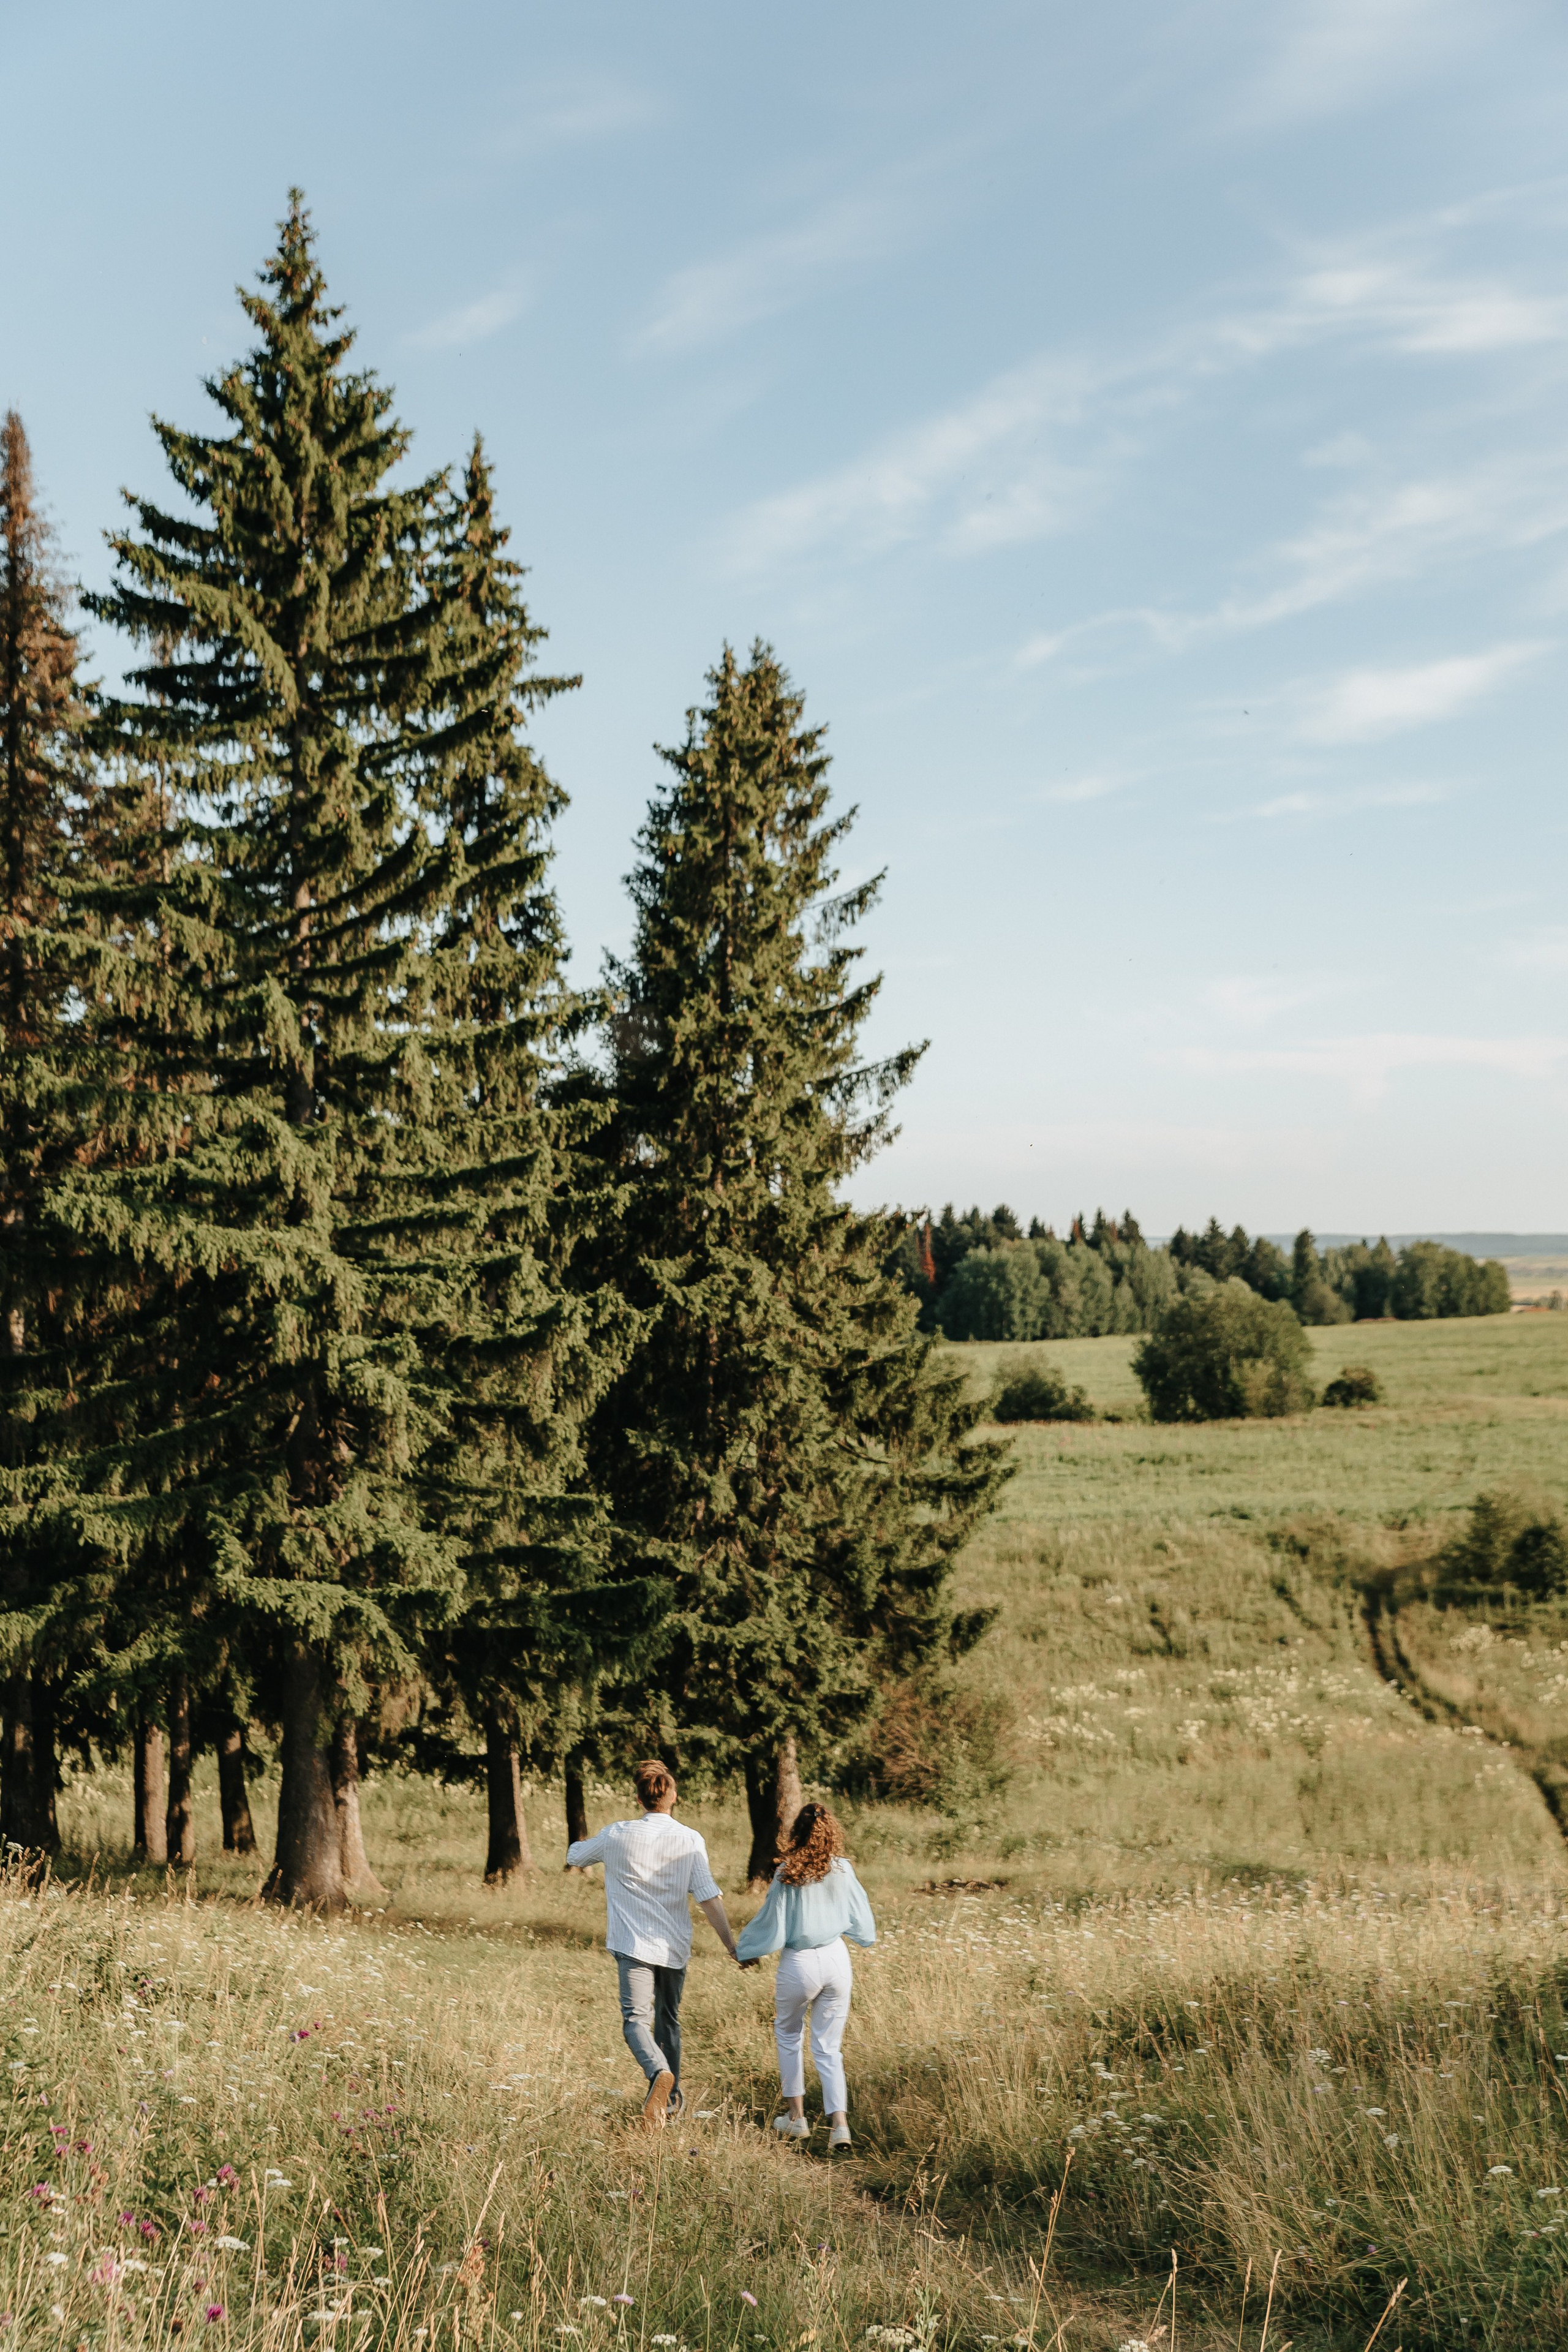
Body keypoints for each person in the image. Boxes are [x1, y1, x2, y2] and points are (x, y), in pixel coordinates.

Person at [566, 1758, 743, 2125]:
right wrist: (731, 1944)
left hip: (633, 1945)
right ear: (672, 1796)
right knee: (669, 2020)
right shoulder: (691, 1839)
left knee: (635, 2021)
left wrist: (593, 1842)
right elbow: (708, 1896)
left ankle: (659, 2073)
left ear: (638, 1798)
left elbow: (575, 1855)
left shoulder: (617, 1834)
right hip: (674, 1947)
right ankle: (671, 2102)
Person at [735, 1802, 876, 2151]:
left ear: (796, 1832)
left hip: (799, 1962)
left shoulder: (787, 1873)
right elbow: (862, 1918)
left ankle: (797, 2118)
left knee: (788, 2035)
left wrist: (747, 1950)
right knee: (829, 2047)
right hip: (836, 1959)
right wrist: (861, 1936)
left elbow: (771, 1921)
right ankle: (840, 2126)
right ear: (832, 1833)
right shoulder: (843, 1869)